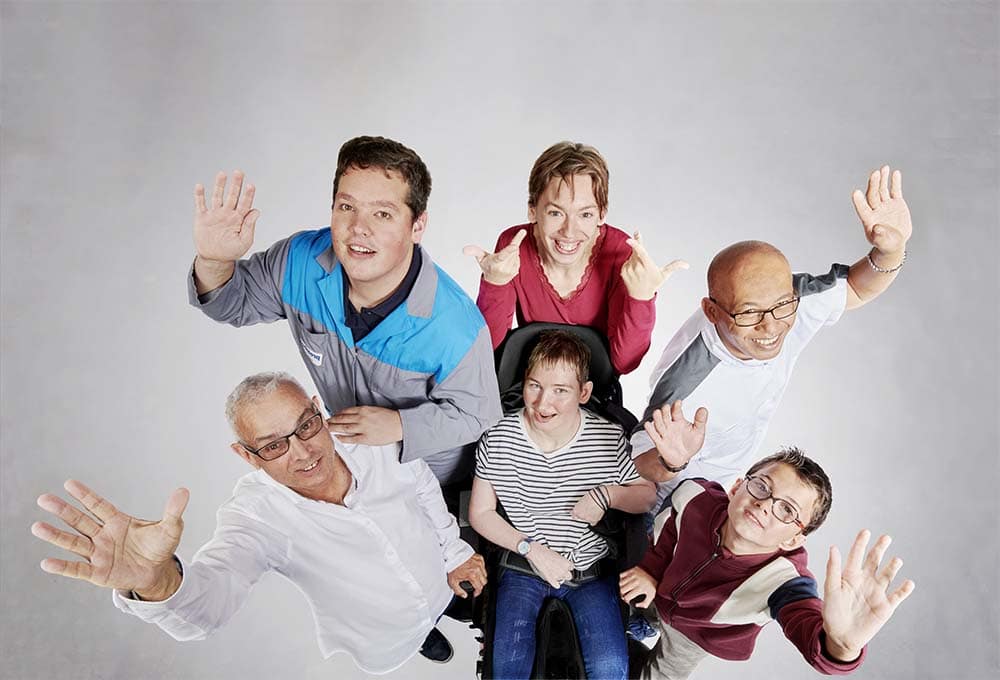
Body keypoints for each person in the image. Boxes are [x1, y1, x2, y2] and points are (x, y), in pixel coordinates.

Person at [30, 372, 487, 674]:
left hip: (439, 580)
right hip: (383, 634)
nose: (304, 453)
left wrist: (455, 553)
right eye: (272, 446)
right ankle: (422, 638)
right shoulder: (254, 516)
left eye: (306, 426)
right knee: (414, 635)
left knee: (447, 606)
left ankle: (433, 616)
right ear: (246, 456)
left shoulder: (371, 436)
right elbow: (207, 609)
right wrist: (156, 582)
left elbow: (422, 486)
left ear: (317, 409)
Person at [189, 136, 501, 485]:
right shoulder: (298, 262)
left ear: (417, 226)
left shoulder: (456, 326)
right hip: (350, 474)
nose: (358, 229)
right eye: (347, 207)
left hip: (433, 486)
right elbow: (232, 303)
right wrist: (214, 260)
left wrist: (400, 424)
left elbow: (480, 417)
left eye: (382, 214)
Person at [632, 165, 912, 508]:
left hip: (735, 487)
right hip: (673, 504)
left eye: (782, 305)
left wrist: (891, 251)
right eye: (749, 313)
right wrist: (671, 461)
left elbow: (855, 288)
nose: (771, 327)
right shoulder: (687, 378)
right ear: (712, 311)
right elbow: (639, 461)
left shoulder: (789, 299)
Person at [619, 418, 915, 679]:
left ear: (793, 539)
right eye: (762, 486)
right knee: (619, 595)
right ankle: (644, 621)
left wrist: (841, 645)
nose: (765, 505)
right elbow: (669, 530)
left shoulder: (785, 582)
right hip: (659, 589)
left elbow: (804, 623)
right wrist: (650, 570)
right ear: (736, 487)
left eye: (787, 510)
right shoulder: (695, 496)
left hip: (698, 633)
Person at [468, 331, 657, 679]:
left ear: (583, 393)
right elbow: (480, 513)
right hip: (524, 564)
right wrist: (530, 548)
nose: (543, 403)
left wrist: (607, 495)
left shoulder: (609, 437)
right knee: (506, 672)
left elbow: (646, 494)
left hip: (590, 570)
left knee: (610, 671)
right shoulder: (498, 437)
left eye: (560, 390)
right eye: (534, 386)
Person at [464, 141, 687, 375]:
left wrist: (642, 298)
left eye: (585, 214)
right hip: (533, 381)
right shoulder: (514, 245)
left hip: (593, 385)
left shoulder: (618, 252)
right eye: (555, 213)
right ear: (532, 210)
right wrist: (495, 284)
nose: (569, 231)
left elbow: (625, 363)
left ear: (602, 214)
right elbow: (487, 351)